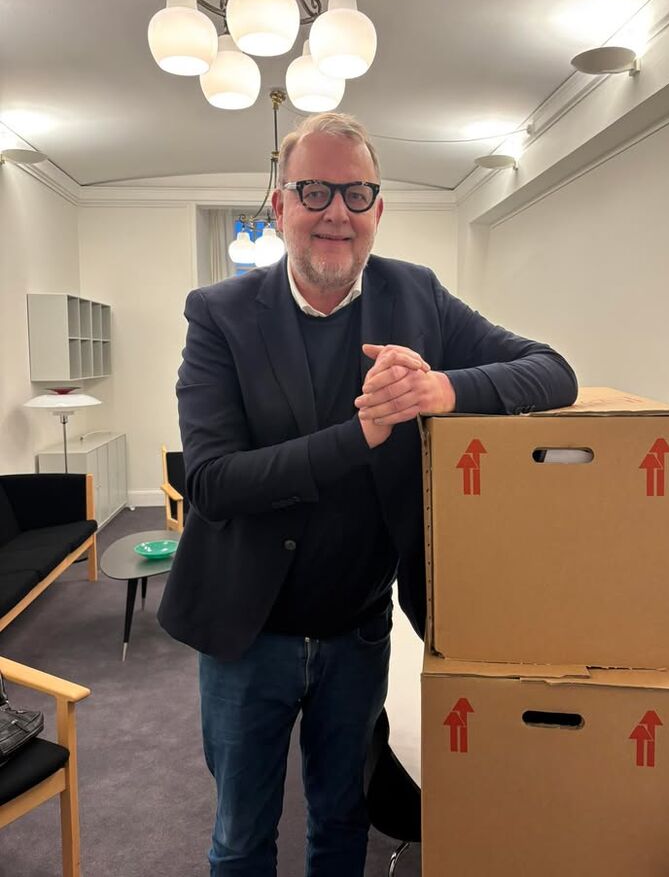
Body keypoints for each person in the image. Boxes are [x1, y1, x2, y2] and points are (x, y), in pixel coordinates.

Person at [158, 112, 577, 876]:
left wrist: (442, 389)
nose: (336, 212)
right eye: (313, 191)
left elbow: (553, 371)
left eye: (356, 194)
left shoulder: (416, 295)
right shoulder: (219, 313)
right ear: (279, 205)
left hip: (357, 630)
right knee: (241, 836)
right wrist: (362, 434)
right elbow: (212, 481)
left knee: (342, 823)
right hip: (247, 632)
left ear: (378, 210)